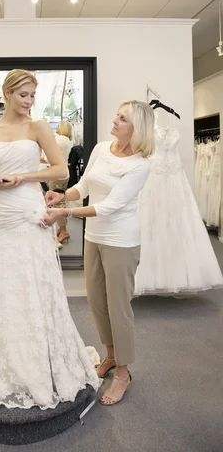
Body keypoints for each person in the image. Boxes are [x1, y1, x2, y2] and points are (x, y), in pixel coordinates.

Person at [0, 69, 101, 409]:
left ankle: (37, 356)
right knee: (0, 280)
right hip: (0, 212)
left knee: (33, 278)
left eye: (33, 95)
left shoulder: (38, 127)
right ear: (7, 93)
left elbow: (61, 170)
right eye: (24, 95)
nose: (30, 101)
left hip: (27, 207)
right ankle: (2, 354)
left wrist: (22, 176)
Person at [44, 100, 154, 406]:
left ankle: (122, 373)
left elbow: (111, 205)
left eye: (123, 119)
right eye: (117, 115)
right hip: (94, 237)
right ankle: (109, 355)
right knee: (96, 301)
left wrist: (63, 212)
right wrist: (61, 195)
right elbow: (85, 185)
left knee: (119, 307)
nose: (115, 121)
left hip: (121, 241)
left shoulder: (141, 165)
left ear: (137, 129)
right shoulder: (101, 149)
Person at [48, 121, 73, 244]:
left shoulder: (59, 140)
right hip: (64, 173)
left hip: (57, 173)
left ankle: (63, 231)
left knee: (56, 202)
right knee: (61, 201)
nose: (56, 128)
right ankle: (62, 228)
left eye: (58, 126)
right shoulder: (68, 140)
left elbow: (50, 156)